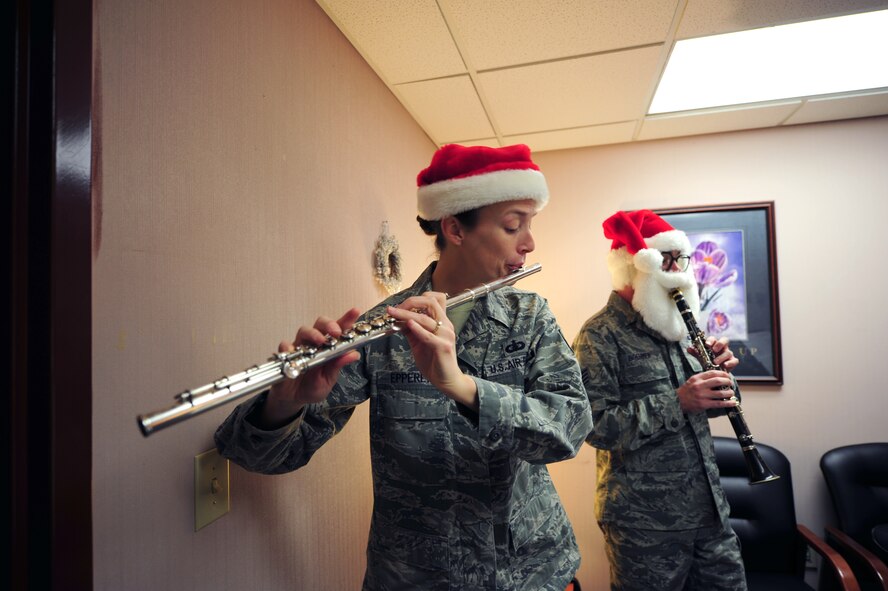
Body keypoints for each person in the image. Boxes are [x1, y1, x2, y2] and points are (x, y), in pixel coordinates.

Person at [215, 144, 593, 591]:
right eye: (513, 225)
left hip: (532, 574)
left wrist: (461, 386)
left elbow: (571, 427)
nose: (529, 242)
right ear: (454, 228)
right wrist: (283, 402)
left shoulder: (530, 316)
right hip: (417, 579)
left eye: (530, 225)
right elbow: (252, 454)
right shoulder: (384, 328)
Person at [572, 209, 747, 591]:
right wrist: (679, 401)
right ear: (636, 266)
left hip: (710, 512)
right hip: (644, 523)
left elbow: (716, 404)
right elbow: (593, 427)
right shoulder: (599, 335)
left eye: (678, 260)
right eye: (666, 261)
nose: (678, 271)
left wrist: (722, 380)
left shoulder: (681, 328)